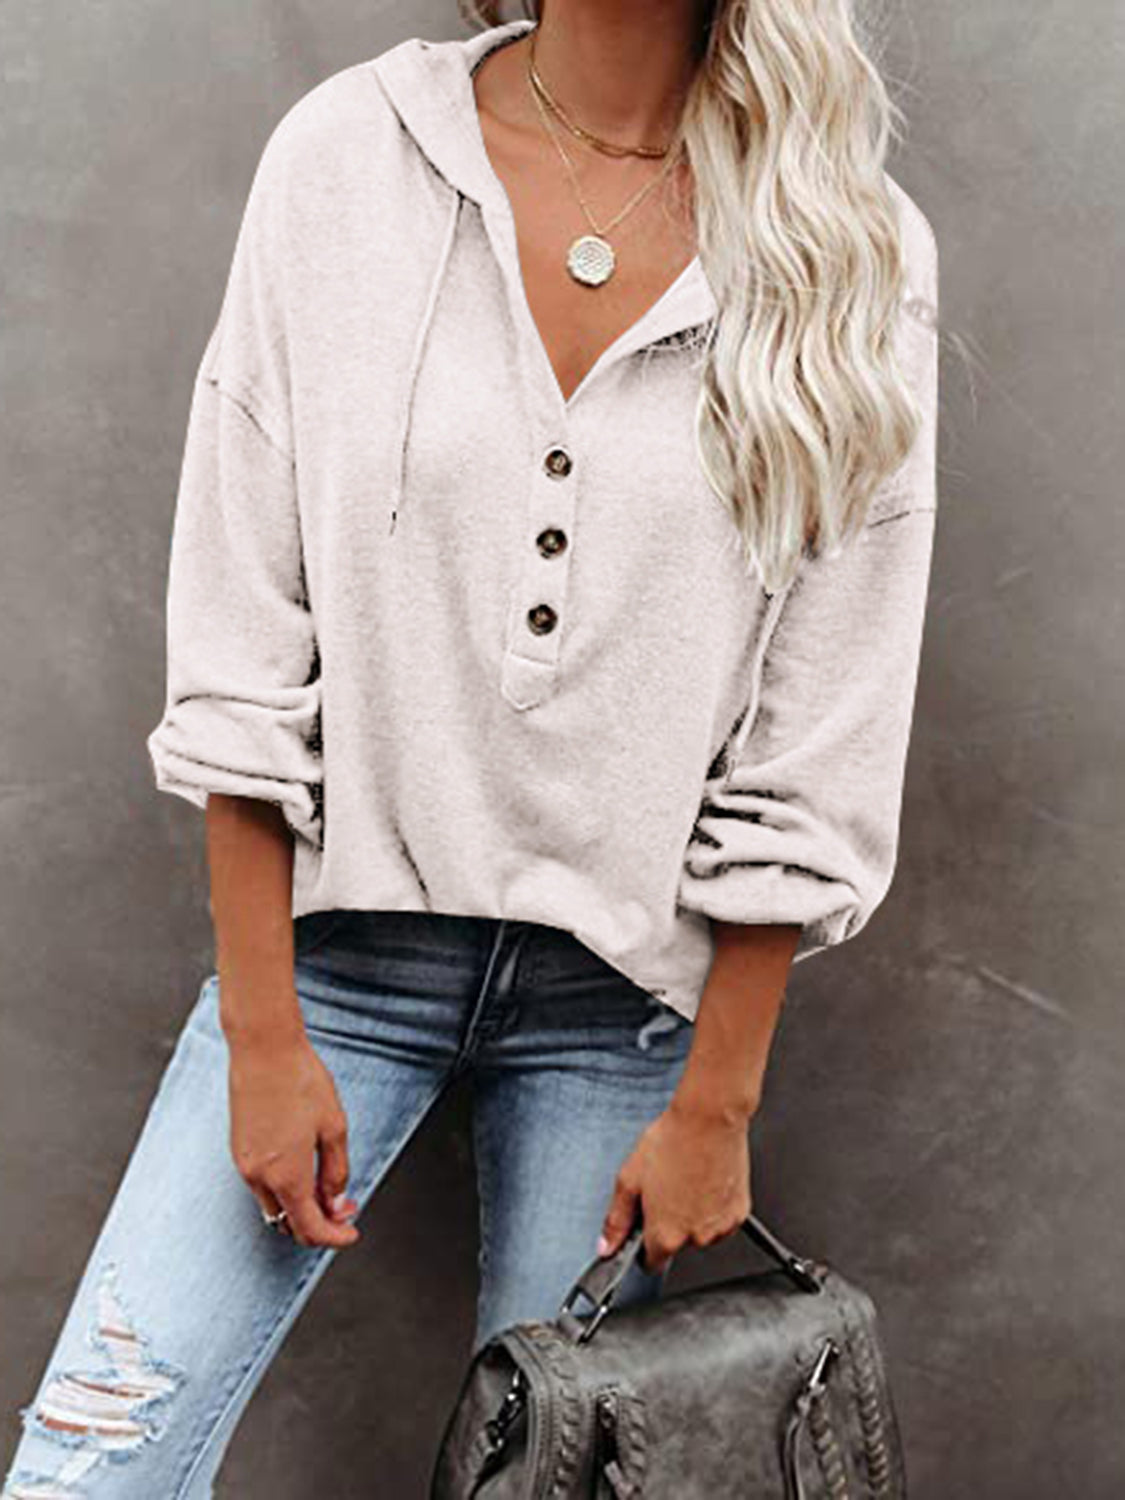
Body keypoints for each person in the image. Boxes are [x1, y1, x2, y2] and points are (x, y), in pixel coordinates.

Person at [3, 0, 940, 1494]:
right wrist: (263, 1033)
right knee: (88, 1467)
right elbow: (246, 628)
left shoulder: (847, 247)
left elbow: (822, 726)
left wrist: (717, 1104)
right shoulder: (351, 158)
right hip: (330, 968)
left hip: (627, 1015)